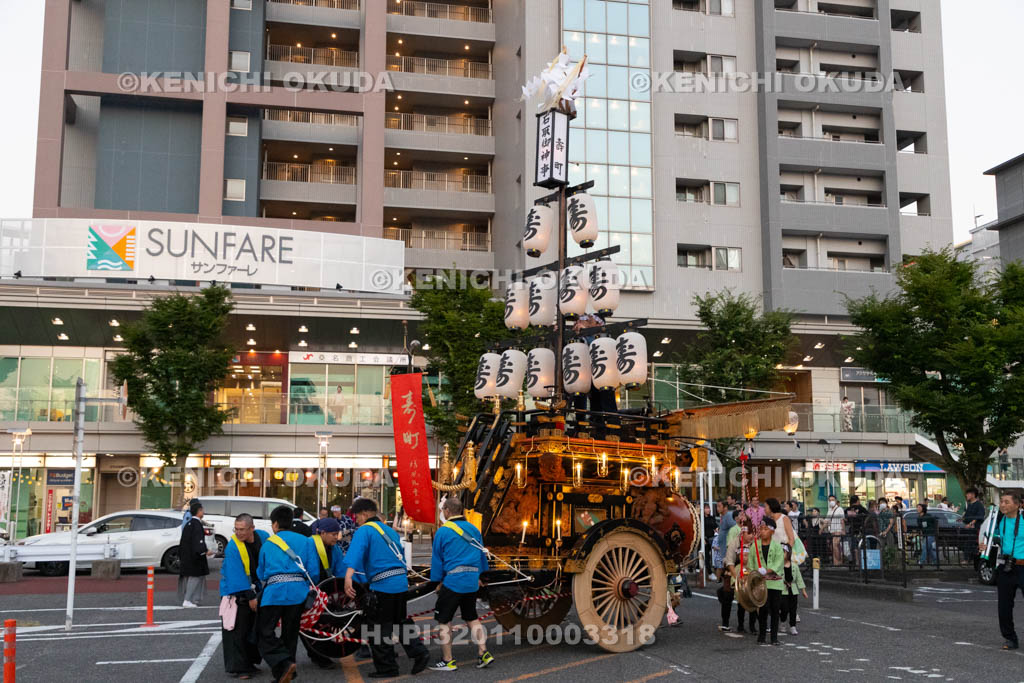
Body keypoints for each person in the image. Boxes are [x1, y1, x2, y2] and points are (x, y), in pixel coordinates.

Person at [344, 497, 430, 678]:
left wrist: (348, 577)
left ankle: (387, 668)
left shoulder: (365, 530)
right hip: (399, 582)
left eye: (356, 516)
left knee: (376, 628)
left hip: (383, 584)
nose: (355, 520)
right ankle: (419, 652)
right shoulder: (389, 530)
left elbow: (356, 553)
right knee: (400, 621)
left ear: (365, 514)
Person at [429, 497, 493, 671]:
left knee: (444, 620)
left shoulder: (443, 532)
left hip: (453, 581)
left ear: (448, 511)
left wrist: (436, 581)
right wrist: (479, 575)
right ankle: (483, 652)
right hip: (471, 581)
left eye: (443, 510)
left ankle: (448, 660)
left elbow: (437, 560)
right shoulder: (474, 529)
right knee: (472, 618)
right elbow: (481, 556)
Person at [257, 505, 318, 683]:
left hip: (274, 593)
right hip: (298, 592)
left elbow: (261, 573)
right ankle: (286, 673)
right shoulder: (306, 541)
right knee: (290, 634)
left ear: (275, 524)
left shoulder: (269, 543)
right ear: (291, 522)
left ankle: (282, 664)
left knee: (264, 632)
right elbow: (313, 572)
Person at [220, 513, 269, 679]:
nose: (238, 533)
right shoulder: (233, 546)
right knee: (237, 631)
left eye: (242, 529)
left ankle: (250, 663)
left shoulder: (263, 537)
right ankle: (239, 668)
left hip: (257, 588)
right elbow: (236, 575)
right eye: (236, 529)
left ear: (252, 529)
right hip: (236, 592)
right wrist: (250, 597)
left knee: (252, 630)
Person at [301, 516, 348, 670]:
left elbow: (340, 570)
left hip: (326, 590)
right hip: (309, 589)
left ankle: (319, 654)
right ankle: (318, 655)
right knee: (308, 624)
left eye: (338, 534)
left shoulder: (334, 549)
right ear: (321, 533)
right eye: (333, 534)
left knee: (322, 622)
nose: (336, 537)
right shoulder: (308, 544)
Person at [988, 490, 1024, 650]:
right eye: (1001, 501)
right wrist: (985, 545)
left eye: (1007, 502)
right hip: (1005, 566)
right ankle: (1010, 638)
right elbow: (992, 537)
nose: (1003, 504)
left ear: (1018, 504)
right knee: (1004, 606)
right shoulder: (999, 519)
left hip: (1023, 566)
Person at [747, 518, 784, 646]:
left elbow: (779, 564)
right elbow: (750, 564)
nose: (762, 532)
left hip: (775, 583)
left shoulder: (777, 546)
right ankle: (761, 636)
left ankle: (774, 637)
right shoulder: (755, 546)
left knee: (775, 610)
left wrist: (767, 571)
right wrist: (755, 572)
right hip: (760, 584)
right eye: (761, 529)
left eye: (765, 529)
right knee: (762, 610)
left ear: (772, 532)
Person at [178, 500, 214, 608]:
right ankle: (188, 599)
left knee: (195, 577)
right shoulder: (197, 524)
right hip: (195, 557)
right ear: (199, 511)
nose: (203, 512)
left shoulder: (189, 523)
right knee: (195, 577)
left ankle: (194, 599)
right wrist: (205, 551)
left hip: (187, 555)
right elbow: (198, 541)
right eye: (202, 510)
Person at [778, 543, 807, 636]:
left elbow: (799, 578)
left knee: (793, 609)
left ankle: (793, 626)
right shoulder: (778, 566)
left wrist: (803, 590)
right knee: (784, 608)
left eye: (784, 552)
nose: (782, 554)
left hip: (793, 590)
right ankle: (782, 622)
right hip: (783, 590)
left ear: (788, 553)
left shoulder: (794, 565)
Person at [824, 495, 845, 566]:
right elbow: (826, 521)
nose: (831, 501)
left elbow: (842, 520)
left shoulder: (840, 509)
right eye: (830, 500)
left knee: (835, 545)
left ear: (836, 501)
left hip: (838, 530)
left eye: (832, 500)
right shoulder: (829, 510)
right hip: (832, 531)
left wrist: (843, 530)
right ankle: (837, 561)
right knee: (835, 546)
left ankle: (838, 561)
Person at [703, 503, 718, 579]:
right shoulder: (701, 518)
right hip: (704, 539)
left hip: (712, 538)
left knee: (717, 552)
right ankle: (709, 572)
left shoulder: (712, 518)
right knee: (707, 556)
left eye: (708, 508)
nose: (708, 510)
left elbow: (715, 527)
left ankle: (717, 570)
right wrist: (703, 539)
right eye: (706, 508)